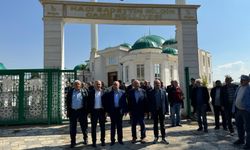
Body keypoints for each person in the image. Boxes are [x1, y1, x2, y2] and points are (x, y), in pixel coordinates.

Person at [66, 80, 89, 148]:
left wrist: (87, 111)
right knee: (72, 128)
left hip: (82, 111)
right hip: (73, 111)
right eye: (75, 84)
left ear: (81, 85)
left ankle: (85, 138)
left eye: (78, 84)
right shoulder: (70, 92)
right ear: (73, 85)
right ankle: (73, 141)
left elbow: (87, 102)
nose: (77, 85)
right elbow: (67, 102)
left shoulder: (84, 91)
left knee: (84, 126)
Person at [105, 81, 128, 146]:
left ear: (119, 85)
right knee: (113, 126)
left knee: (119, 126)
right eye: (114, 84)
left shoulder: (123, 92)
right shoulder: (109, 93)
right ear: (112, 85)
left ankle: (120, 140)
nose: (115, 86)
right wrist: (107, 112)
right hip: (113, 111)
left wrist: (126, 110)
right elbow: (108, 103)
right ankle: (112, 140)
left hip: (120, 111)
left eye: (116, 84)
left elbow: (125, 102)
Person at [148, 79, 169, 144]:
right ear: (154, 84)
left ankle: (163, 137)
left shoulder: (163, 91)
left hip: (161, 110)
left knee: (162, 125)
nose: (157, 85)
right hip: (154, 111)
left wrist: (167, 110)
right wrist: (150, 111)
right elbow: (149, 102)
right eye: (156, 83)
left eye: (158, 83)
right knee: (155, 124)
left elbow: (166, 102)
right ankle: (156, 137)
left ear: (160, 84)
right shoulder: (151, 92)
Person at [127, 80, 148, 144]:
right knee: (133, 125)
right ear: (133, 85)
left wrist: (146, 111)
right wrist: (129, 110)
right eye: (135, 84)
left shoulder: (143, 91)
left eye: (137, 84)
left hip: (141, 111)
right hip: (133, 111)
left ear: (139, 84)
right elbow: (129, 102)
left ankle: (143, 137)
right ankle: (134, 137)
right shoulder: (130, 92)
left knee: (142, 124)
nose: (136, 85)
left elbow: (145, 101)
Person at [233, 75, 250, 149]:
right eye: (241, 80)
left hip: (246, 111)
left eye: (243, 80)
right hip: (238, 110)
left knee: (248, 128)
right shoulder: (239, 87)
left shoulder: (249, 88)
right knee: (239, 126)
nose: (241, 81)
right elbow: (235, 97)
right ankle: (241, 140)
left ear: (247, 81)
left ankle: (248, 144)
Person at [88, 80, 106, 147]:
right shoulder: (91, 92)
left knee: (103, 127)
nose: (98, 85)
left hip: (102, 112)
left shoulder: (104, 92)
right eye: (97, 84)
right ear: (94, 85)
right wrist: (89, 112)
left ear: (101, 85)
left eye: (99, 84)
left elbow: (106, 103)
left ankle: (103, 140)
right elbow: (89, 103)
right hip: (94, 112)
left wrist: (106, 112)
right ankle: (94, 141)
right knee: (93, 128)